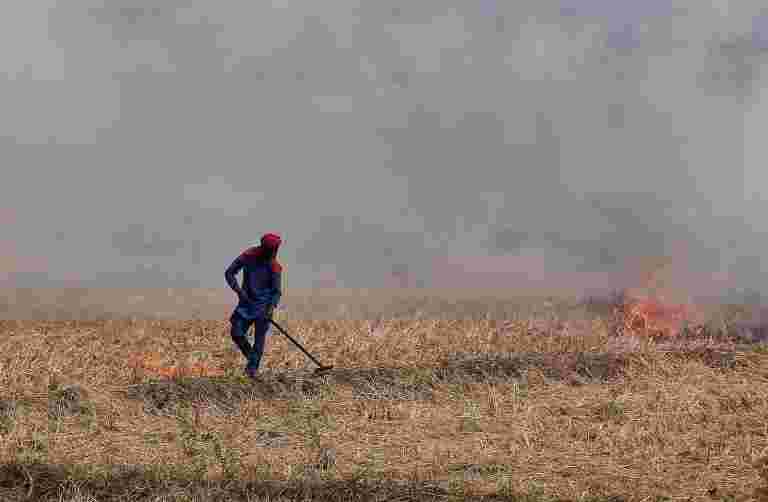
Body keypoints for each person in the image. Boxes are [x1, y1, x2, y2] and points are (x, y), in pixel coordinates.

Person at [225, 233, 283, 378]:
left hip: (264, 308)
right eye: (271, 251)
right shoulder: (248, 255)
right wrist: (239, 291)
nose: (274, 253)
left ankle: (251, 371)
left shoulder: (275, 267)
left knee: (259, 340)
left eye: (275, 251)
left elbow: (276, 292)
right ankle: (253, 360)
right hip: (246, 304)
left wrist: (269, 310)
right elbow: (229, 273)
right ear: (264, 248)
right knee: (236, 333)